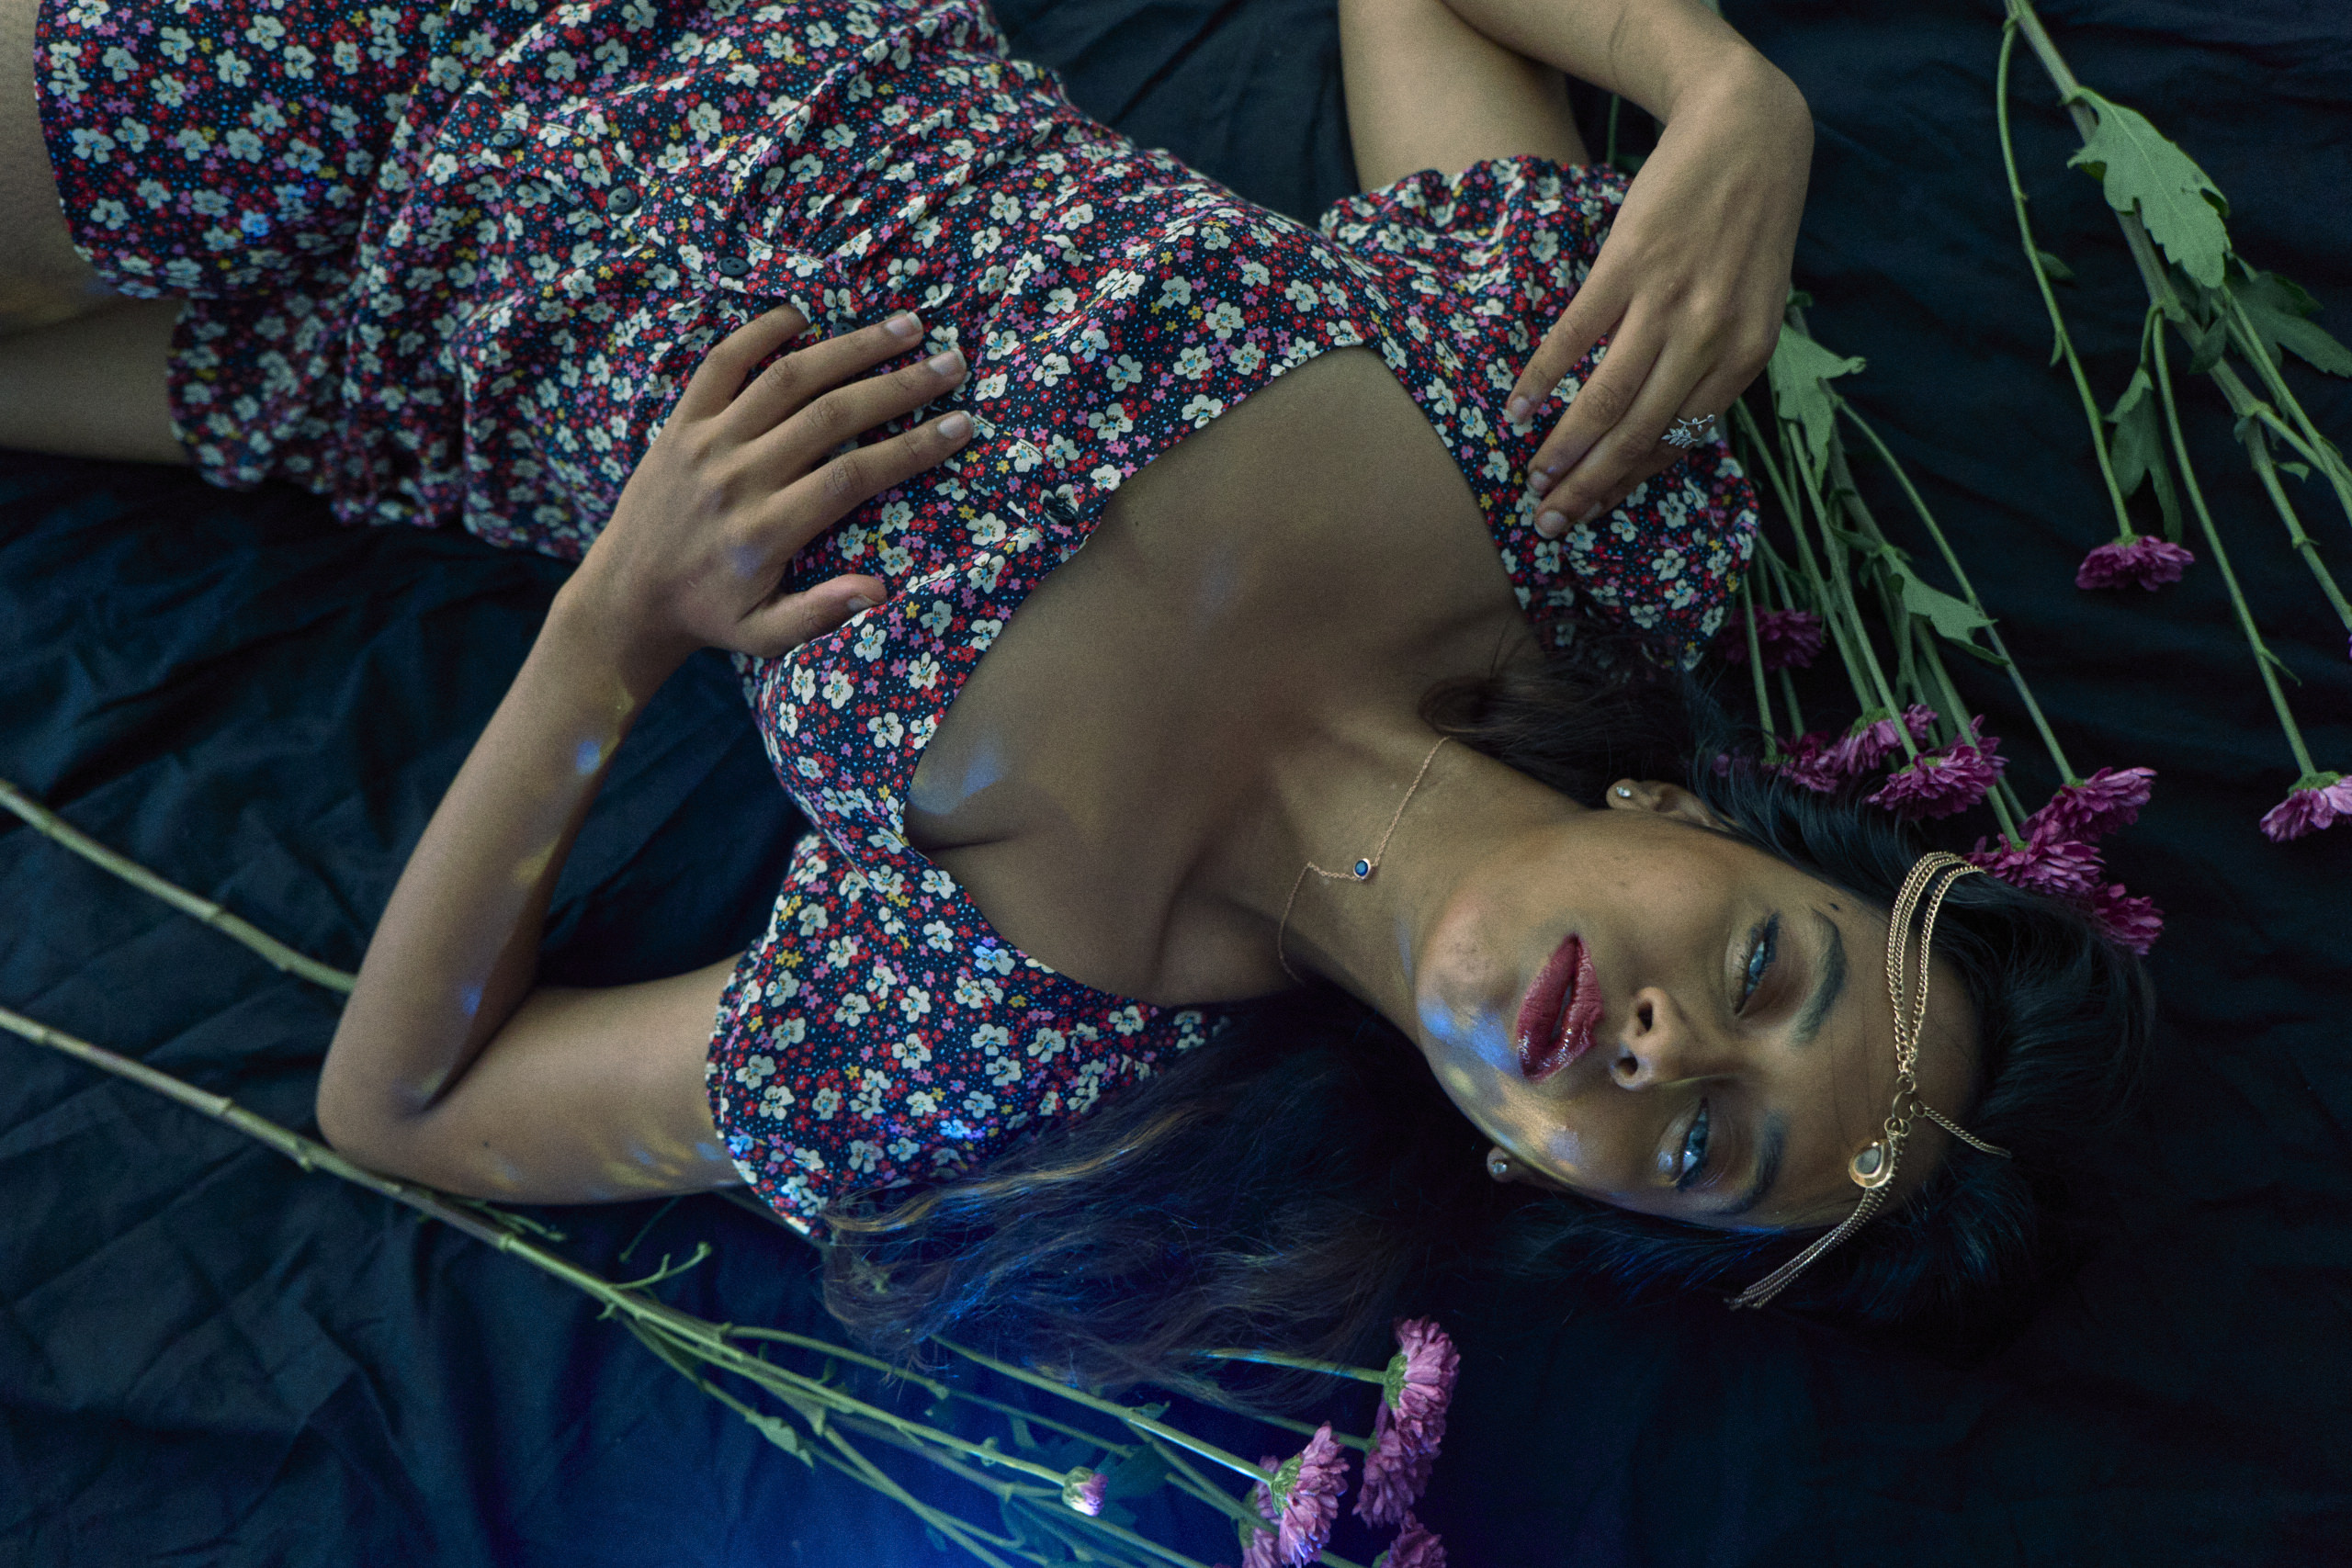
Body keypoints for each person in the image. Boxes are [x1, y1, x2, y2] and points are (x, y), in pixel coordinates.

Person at [0, 0, 2149, 1386]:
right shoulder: (1581, 484)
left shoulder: (1015, 1046)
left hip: (382, 373)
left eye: (1700, 1145)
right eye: (1770, 969)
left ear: (1547, 1179)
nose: (1674, 1046)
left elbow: (406, 1110)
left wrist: (615, 631)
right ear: (1695, 824)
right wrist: (1719, 93)